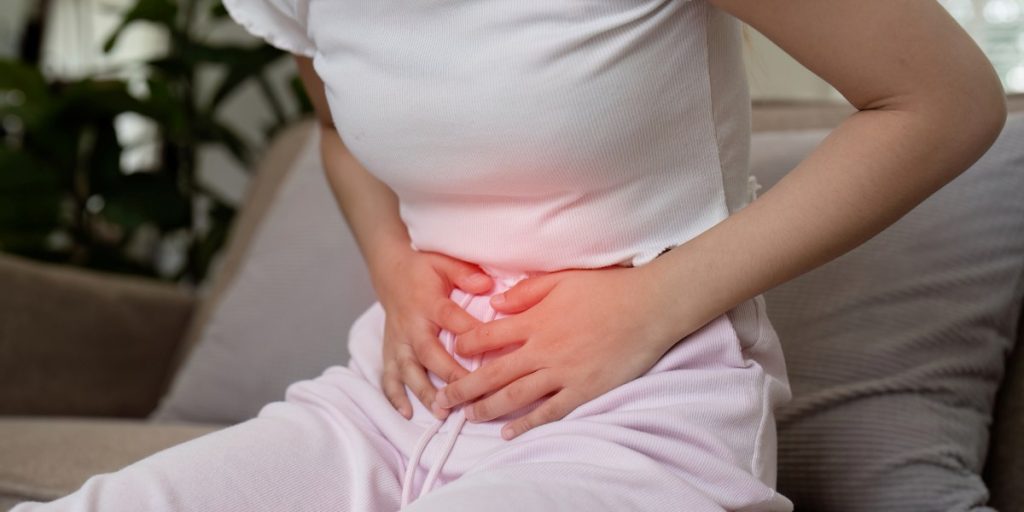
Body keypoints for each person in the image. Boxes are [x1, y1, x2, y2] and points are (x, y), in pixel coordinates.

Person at [11, 1, 1006, 511]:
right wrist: (392, 264)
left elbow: (944, 102)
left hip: (639, 423)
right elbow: (339, 125)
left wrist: (652, 301)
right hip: (386, 404)